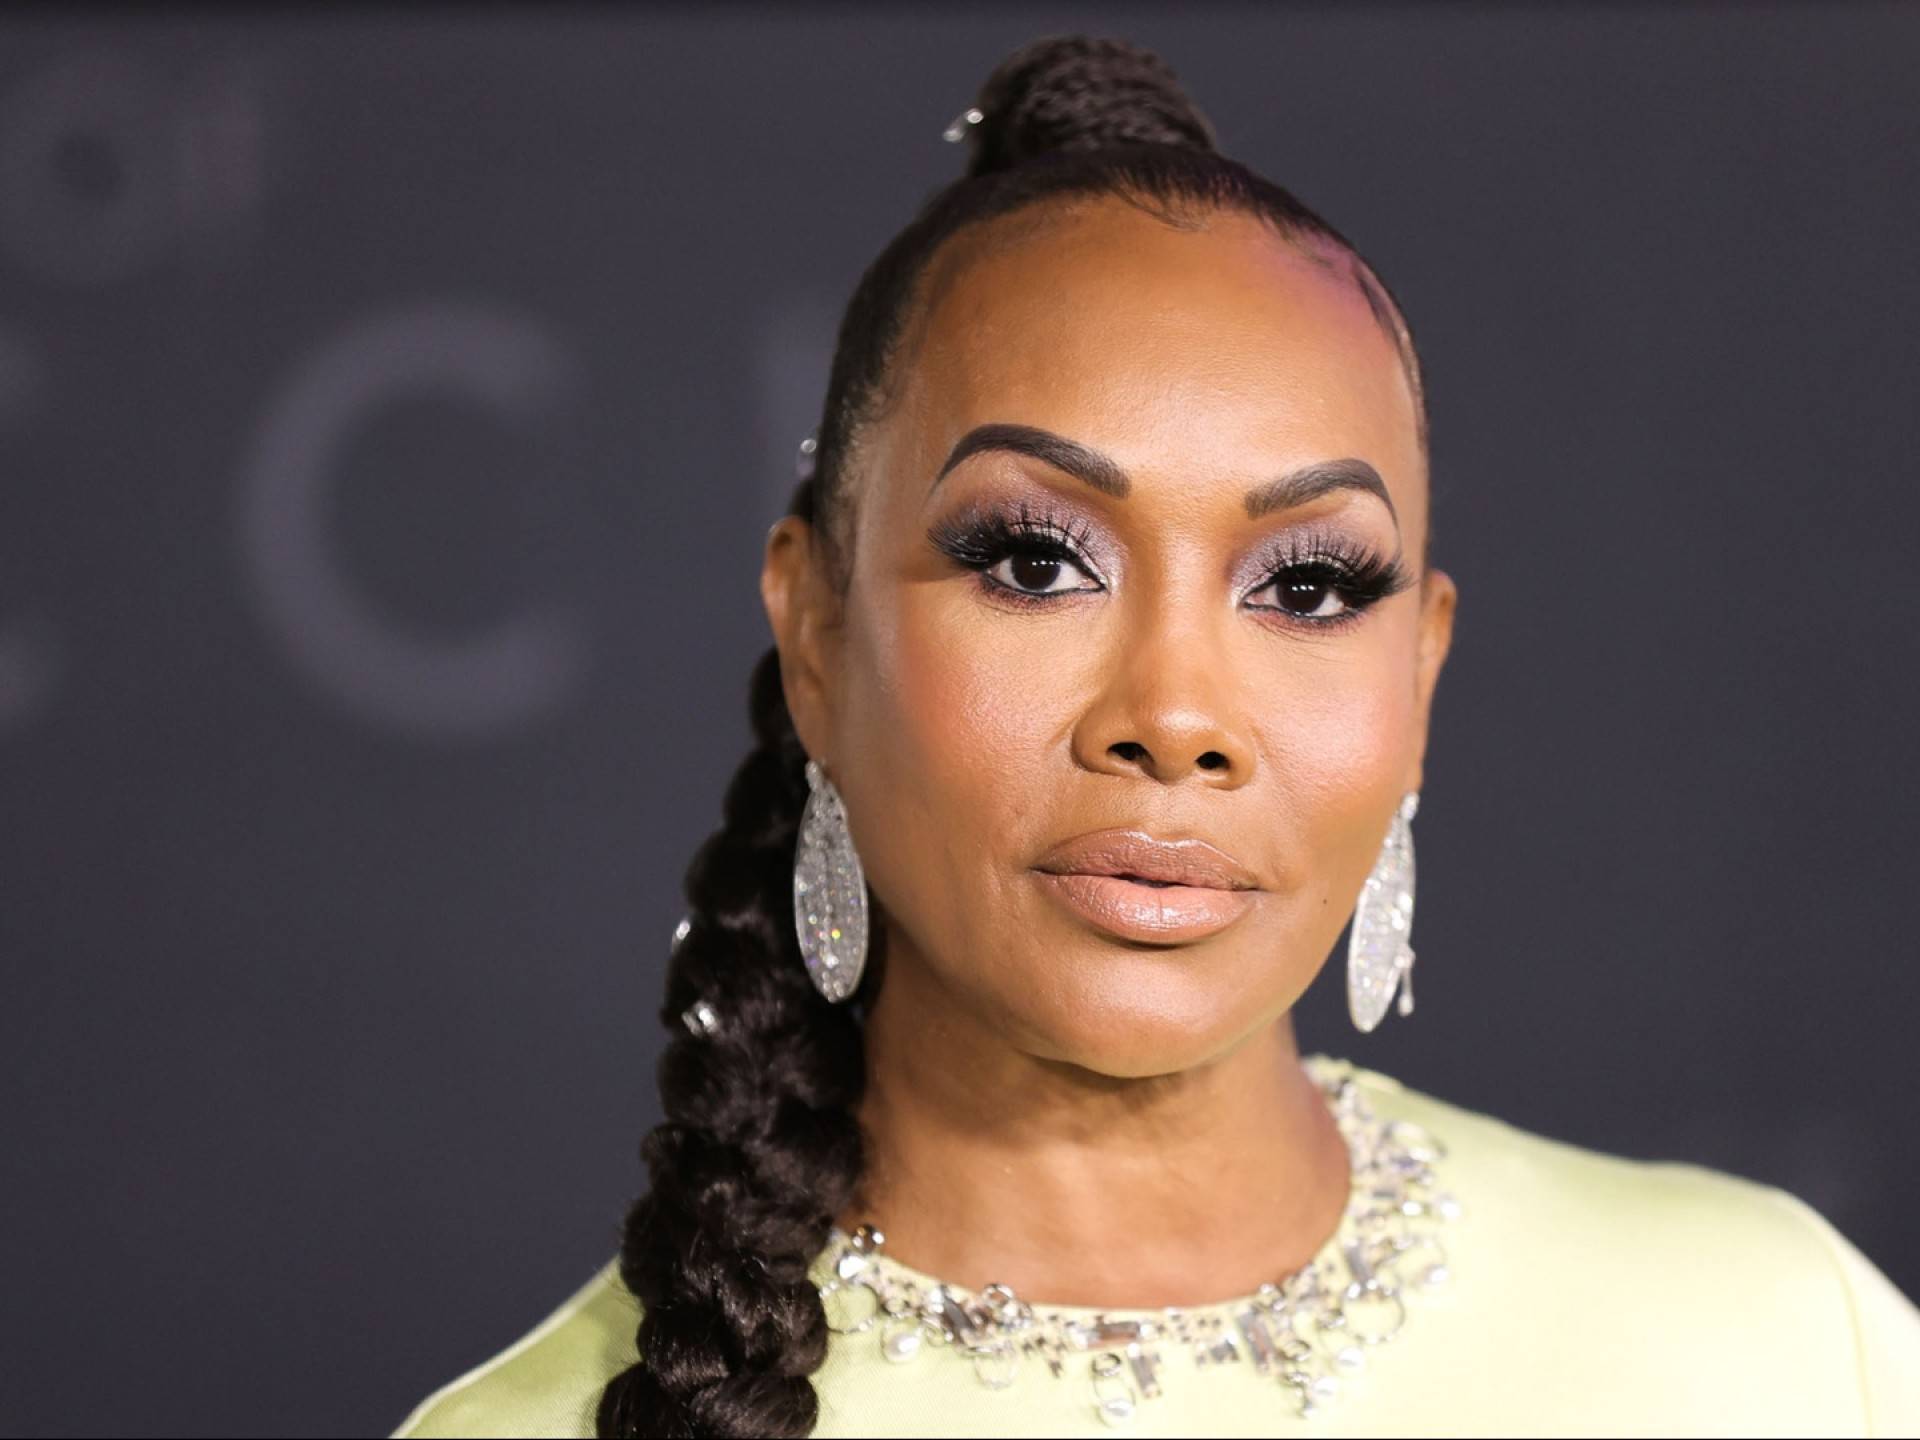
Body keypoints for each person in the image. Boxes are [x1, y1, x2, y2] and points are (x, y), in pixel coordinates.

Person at [393, 34, 1920, 1440]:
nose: (1176, 719)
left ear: (1422, 675)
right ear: (817, 637)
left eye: (1308, 586)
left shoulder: (1784, 1344)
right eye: (1034, 562)